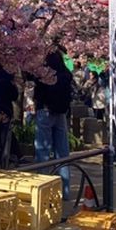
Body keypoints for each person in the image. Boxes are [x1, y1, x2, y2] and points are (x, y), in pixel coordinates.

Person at [31, 47, 73, 202]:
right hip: (61, 113)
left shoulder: (44, 74)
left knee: (43, 151)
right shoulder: (66, 74)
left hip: (45, 111)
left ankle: (42, 191)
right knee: (62, 153)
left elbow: (38, 93)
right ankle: (65, 191)